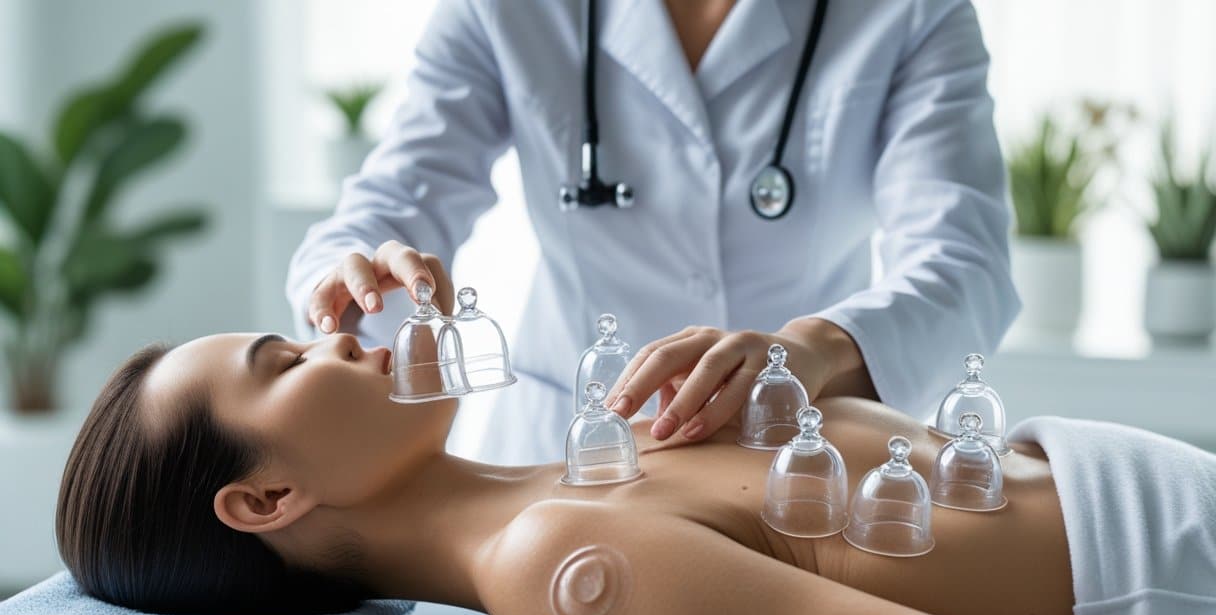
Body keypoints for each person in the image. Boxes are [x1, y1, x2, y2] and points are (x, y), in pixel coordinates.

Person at [55, 322, 1216, 615]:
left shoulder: (570, 475)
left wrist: (807, 356)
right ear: (266, 497)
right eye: (285, 354)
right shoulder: (568, 560)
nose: (343, 332)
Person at [287, 0, 1019, 465]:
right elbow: (396, 196)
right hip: (563, 451)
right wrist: (345, 269)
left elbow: (964, 261)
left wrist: (813, 349)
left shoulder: (915, 11)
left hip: (797, 446)